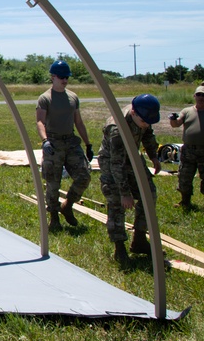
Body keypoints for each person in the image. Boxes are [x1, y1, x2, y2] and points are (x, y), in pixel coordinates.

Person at [98, 94, 162, 264]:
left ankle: (139, 240)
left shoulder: (143, 116)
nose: (146, 124)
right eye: (144, 121)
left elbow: (147, 135)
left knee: (149, 193)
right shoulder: (117, 129)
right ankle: (120, 248)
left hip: (133, 158)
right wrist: (124, 193)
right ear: (133, 112)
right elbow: (116, 164)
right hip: (112, 162)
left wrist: (153, 156)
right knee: (117, 203)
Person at [35, 60, 94, 229]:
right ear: (53, 77)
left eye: (67, 77)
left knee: (84, 176)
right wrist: (45, 140)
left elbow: (79, 122)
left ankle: (67, 206)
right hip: (53, 142)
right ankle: (54, 216)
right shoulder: (45, 98)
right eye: (61, 77)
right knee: (53, 182)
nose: (64, 80)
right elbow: (40, 121)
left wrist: (88, 144)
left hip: (71, 141)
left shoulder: (73, 97)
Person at [170, 85, 204, 209]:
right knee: (184, 176)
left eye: (203, 95)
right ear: (194, 96)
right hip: (189, 150)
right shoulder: (187, 111)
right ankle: (185, 201)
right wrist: (173, 119)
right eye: (199, 94)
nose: (201, 97)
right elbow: (176, 124)